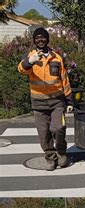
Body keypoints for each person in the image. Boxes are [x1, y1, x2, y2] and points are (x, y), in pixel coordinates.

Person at [18, 27, 73, 171]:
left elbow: (64, 79)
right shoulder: (30, 56)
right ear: (34, 41)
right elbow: (21, 69)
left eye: (43, 37)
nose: (40, 40)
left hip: (57, 102)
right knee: (44, 134)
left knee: (58, 128)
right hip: (38, 103)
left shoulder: (56, 57)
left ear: (47, 39)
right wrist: (29, 62)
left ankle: (61, 152)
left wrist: (69, 101)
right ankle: (50, 157)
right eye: (37, 38)